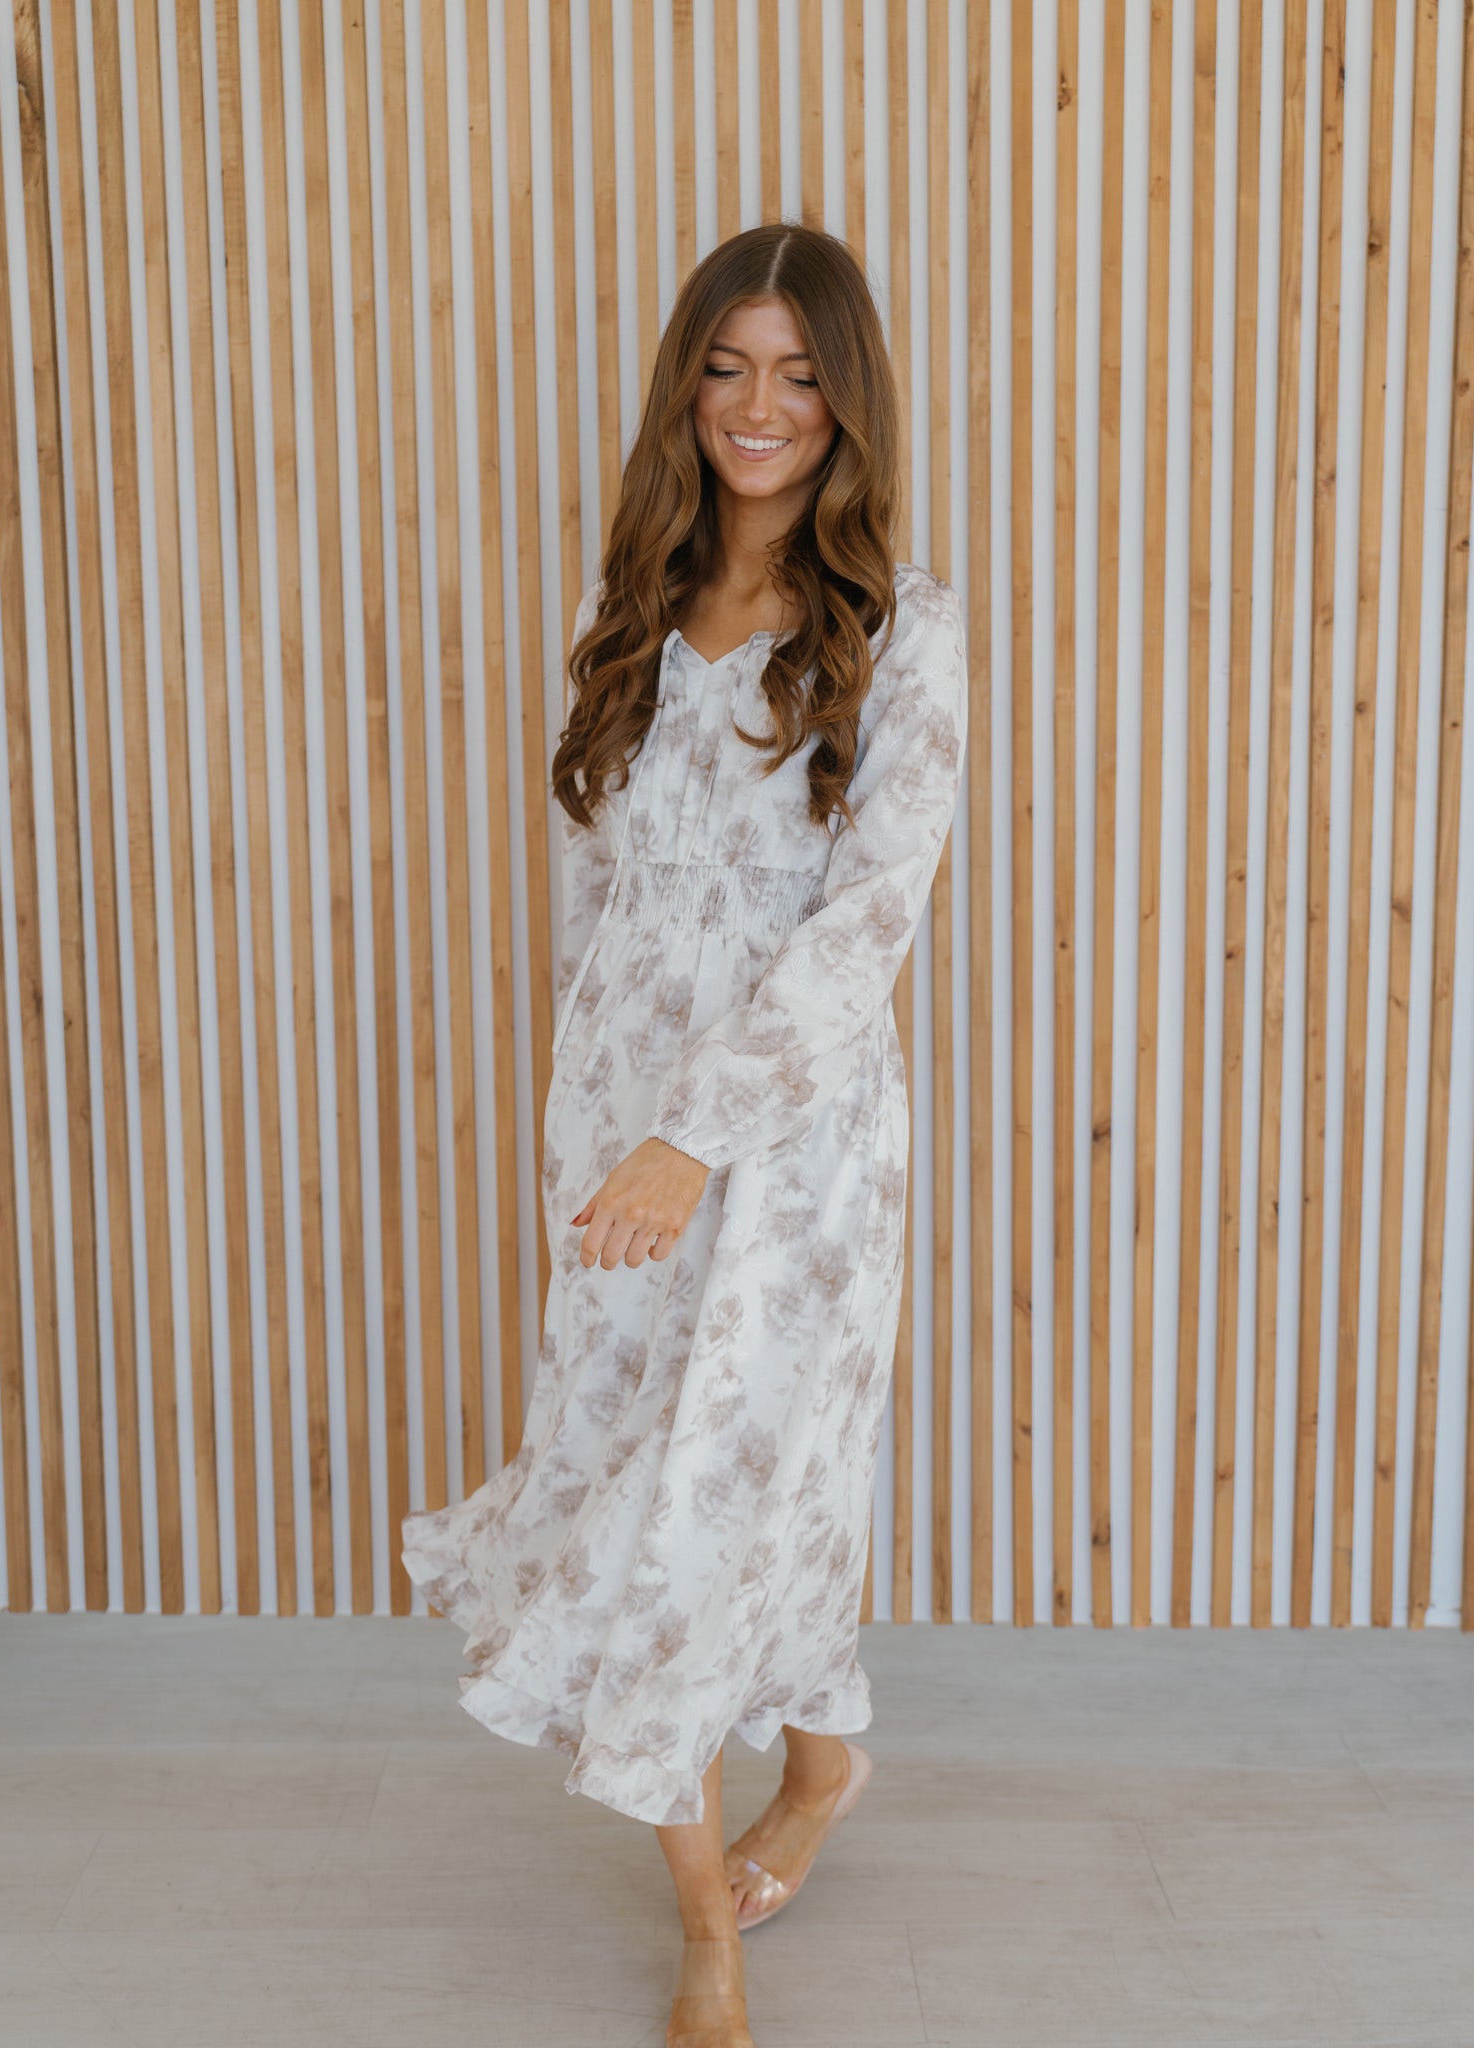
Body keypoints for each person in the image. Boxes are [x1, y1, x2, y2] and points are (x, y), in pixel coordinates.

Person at [401, 219, 968, 2048]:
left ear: (847, 399)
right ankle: (785, 1801)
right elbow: (596, 907)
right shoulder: (632, 612)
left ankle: (736, 1895)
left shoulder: (902, 628)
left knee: (731, 1499)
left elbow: (868, 922)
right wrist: (601, 1137)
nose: (758, 404)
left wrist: (699, 1139)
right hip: (616, 1142)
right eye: (725, 366)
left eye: (798, 372)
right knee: (647, 1489)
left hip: (792, 1156)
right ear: (685, 389)